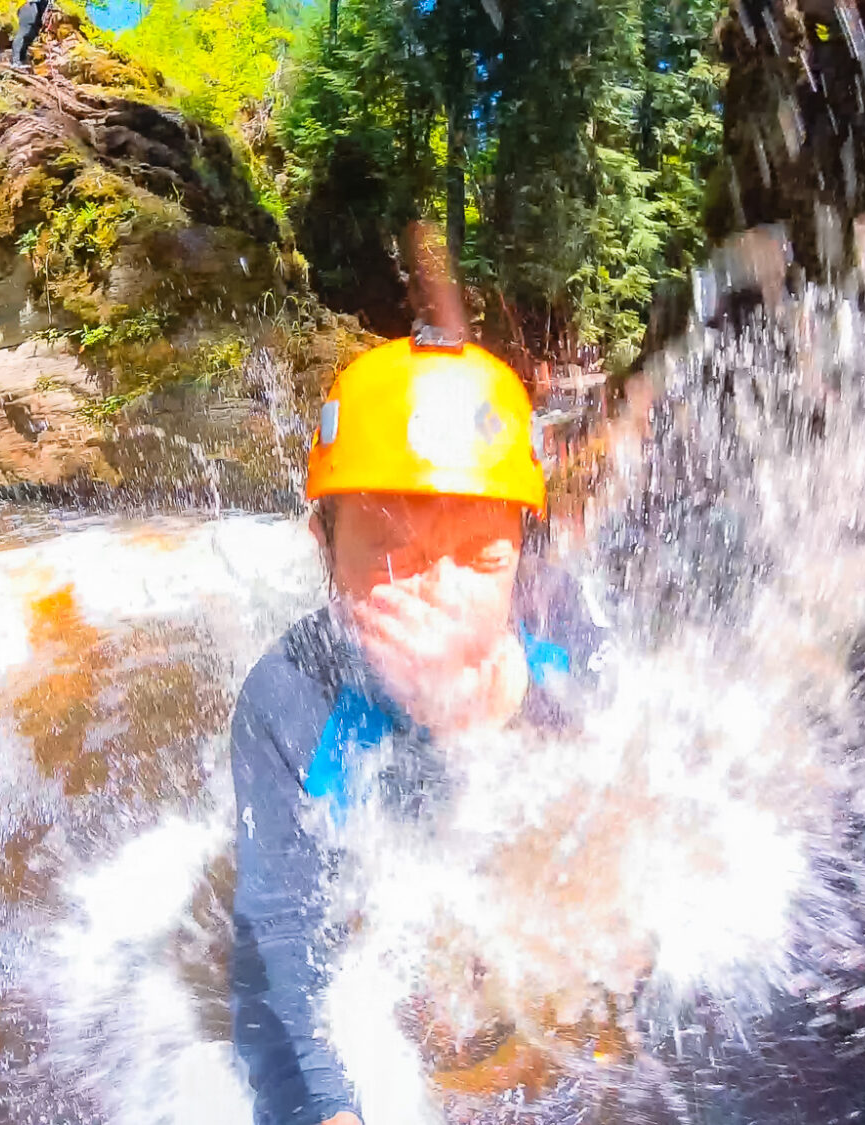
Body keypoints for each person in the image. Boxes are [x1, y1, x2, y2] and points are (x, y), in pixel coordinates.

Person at [229, 330, 607, 1125]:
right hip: (357, 933)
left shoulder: (562, 629)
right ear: (324, 547)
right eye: (394, 555)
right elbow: (286, 922)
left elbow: (639, 806)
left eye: (479, 561)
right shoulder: (289, 696)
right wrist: (333, 1108)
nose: (439, 597)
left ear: (523, 556)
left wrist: (508, 715)